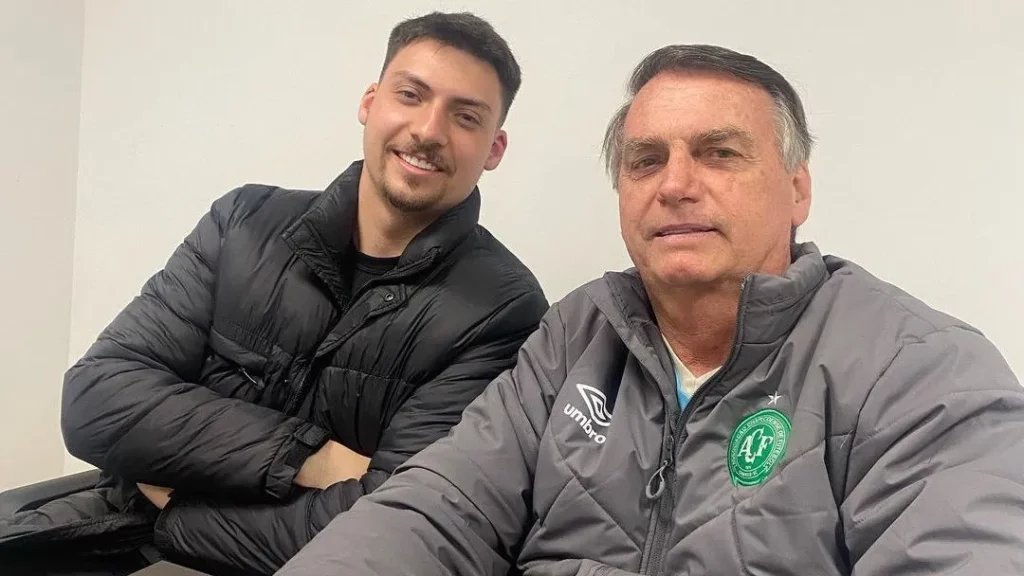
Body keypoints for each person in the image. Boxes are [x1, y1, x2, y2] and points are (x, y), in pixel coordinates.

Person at [276, 44, 1024, 576]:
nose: (675, 185)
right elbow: (438, 508)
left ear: (797, 189)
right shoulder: (576, 335)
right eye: (646, 160)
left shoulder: (923, 368)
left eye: (719, 153)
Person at [0, 11, 548, 576]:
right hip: (113, 526)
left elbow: (401, 525)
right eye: (410, 95)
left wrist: (179, 510)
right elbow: (95, 398)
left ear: (494, 148)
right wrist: (310, 456)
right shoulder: (244, 222)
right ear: (370, 102)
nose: (429, 130)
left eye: (465, 116)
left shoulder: (502, 312)